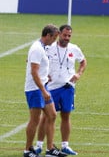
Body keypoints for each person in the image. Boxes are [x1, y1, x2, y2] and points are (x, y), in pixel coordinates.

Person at [34, 24, 87, 155]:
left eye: (69, 36)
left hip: (68, 87)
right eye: (64, 35)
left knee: (66, 115)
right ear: (59, 35)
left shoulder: (74, 49)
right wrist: (44, 75)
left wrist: (78, 74)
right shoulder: (49, 47)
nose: (67, 38)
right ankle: (39, 145)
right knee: (46, 117)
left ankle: (65, 145)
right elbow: (33, 62)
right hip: (51, 88)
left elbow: (83, 61)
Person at [23, 24, 67, 157]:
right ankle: (27, 150)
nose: (54, 40)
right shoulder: (37, 49)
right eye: (54, 38)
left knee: (52, 115)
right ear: (47, 35)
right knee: (34, 120)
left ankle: (50, 149)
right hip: (35, 89)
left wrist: (45, 75)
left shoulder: (43, 47)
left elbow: (37, 67)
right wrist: (43, 90)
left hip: (42, 86)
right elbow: (34, 72)